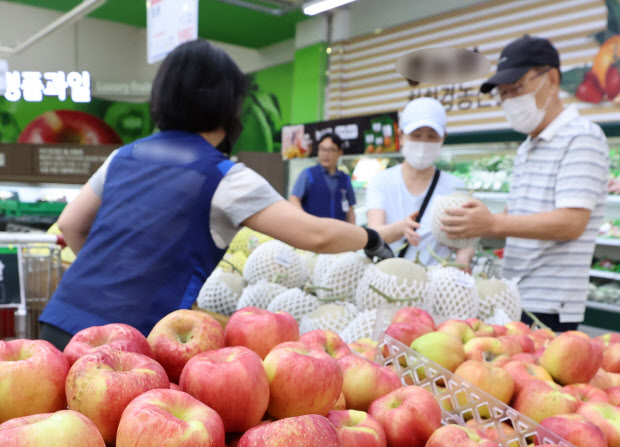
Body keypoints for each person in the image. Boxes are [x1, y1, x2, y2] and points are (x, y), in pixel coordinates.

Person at [38, 40, 391, 350]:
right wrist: (371, 237)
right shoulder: (223, 176)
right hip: (129, 344)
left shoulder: (124, 156)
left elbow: (71, 224)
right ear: (231, 106)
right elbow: (317, 234)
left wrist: (116, 274)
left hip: (59, 323)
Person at [442, 35, 609, 332]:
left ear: (552, 79)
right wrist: (473, 226)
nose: (509, 100)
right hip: (515, 295)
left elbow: (571, 222)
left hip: (550, 303)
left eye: (516, 88)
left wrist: (492, 224)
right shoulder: (527, 147)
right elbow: (518, 218)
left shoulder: (582, 137)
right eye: (503, 94)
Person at [366, 96, 473, 266]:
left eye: (432, 136)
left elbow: (465, 239)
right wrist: (400, 228)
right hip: (388, 278)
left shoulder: (455, 186)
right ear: (401, 136)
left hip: (437, 284)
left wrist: (463, 256)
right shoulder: (381, 181)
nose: (423, 143)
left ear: (443, 138)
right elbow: (371, 234)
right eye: (416, 135)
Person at [289, 132, 356, 222]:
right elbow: (294, 200)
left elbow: (350, 209)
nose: (325, 153)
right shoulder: (308, 174)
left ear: (340, 153)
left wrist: (352, 231)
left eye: (331, 150)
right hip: (313, 231)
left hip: (338, 232)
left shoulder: (345, 179)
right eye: (322, 149)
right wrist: (305, 221)